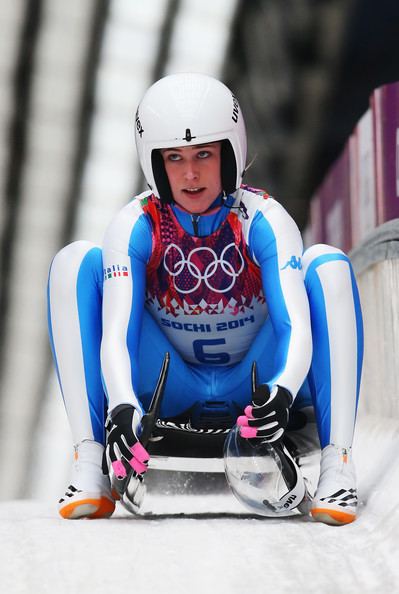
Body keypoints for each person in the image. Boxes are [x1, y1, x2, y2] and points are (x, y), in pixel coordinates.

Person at [47, 72, 363, 525]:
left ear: (229, 155)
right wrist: (121, 403)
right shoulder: (134, 225)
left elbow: (294, 324)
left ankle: (340, 465)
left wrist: (282, 390)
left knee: (328, 264)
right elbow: (116, 333)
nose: (190, 174)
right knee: (76, 262)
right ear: (154, 163)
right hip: (169, 381)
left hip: (257, 382)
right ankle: (88, 460)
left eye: (204, 155)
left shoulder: (265, 219)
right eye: (174, 158)